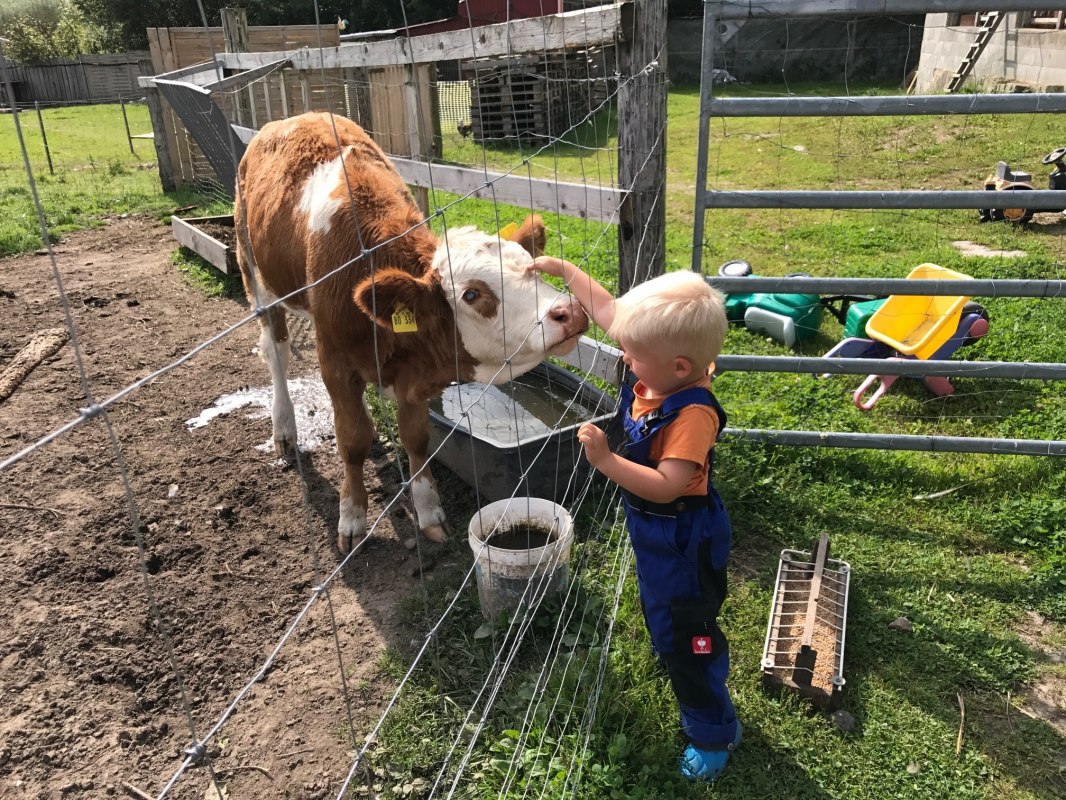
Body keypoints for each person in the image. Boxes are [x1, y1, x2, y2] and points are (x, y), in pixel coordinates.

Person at [533, 256, 742, 782]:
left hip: (681, 532)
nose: (623, 357)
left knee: (690, 632)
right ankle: (667, 635)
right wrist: (565, 270)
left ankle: (713, 731)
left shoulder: (691, 414)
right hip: (654, 531)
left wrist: (607, 462)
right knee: (663, 606)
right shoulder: (662, 368)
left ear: (678, 368)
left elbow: (671, 483)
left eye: (633, 354)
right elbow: (610, 311)